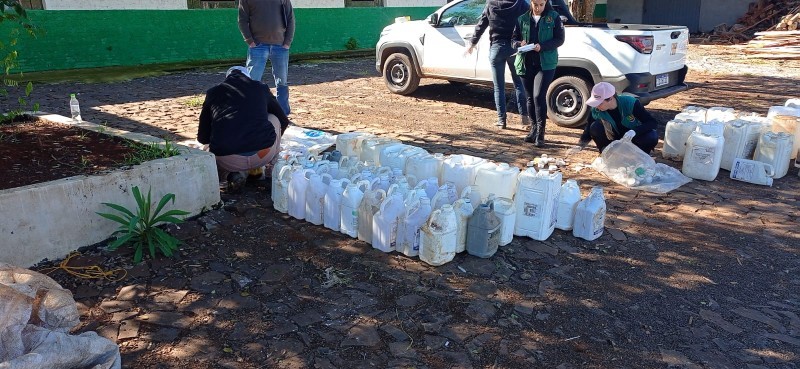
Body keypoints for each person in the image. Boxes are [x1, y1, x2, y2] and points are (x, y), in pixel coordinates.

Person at [198, 66, 291, 193]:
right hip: (263, 154)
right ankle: (271, 169)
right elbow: (283, 120)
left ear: (227, 79)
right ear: (248, 77)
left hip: (227, 160)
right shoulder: (260, 87)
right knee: (274, 117)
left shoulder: (213, 92)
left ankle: (223, 179)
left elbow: (202, 137)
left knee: (212, 145)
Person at [466, 0, 530, 129]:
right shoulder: (522, 4)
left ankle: (502, 121)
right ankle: (524, 121)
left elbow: (481, 24)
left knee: (498, 87)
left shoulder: (491, 3)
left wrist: (472, 43)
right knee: (519, 84)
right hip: (516, 48)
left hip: (497, 48)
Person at [512, 0, 564, 147]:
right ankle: (533, 129)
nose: (538, 8)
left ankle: (541, 133)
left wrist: (543, 46)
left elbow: (560, 39)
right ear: (531, 3)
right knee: (529, 98)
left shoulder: (553, 17)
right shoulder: (522, 19)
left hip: (545, 63)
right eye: (536, 4)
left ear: (545, 2)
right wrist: (518, 44)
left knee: (538, 96)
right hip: (526, 63)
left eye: (541, 4)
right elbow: (513, 39)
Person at [567, 82, 659, 155]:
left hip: (634, 138)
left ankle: (641, 155)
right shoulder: (596, 110)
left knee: (651, 136)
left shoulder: (630, 103)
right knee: (595, 127)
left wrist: (634, 131)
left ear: (610, 98)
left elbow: (652, 122)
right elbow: (588, 129)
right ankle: (606, 153)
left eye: (600, 103)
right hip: (615, 140)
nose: (597, 106)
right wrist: (580, 145)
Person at [238, 0, 295, 115]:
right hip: (258, 46)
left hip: (280, 46)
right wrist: (250, 41)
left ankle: (283, 114)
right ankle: (250, 113)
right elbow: (242, 20)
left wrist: (287, 43)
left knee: (282, 81)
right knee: (252, 81)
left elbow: (290, 19)